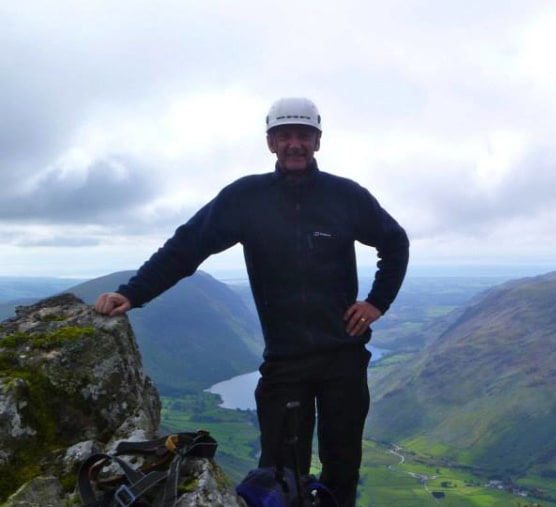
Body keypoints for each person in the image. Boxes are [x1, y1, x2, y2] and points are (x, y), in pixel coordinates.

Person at [94, 97, 409, 506]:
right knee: (279, 475)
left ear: (317, 141)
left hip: (344, 359)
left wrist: (376, 303)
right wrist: (132, 292)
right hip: (286, 362)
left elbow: (395, 242)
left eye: (303, 135)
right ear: (270, 142)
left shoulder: (345, 196)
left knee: (342, 468)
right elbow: (187, 248)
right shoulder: (246, 198)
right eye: (284, 135)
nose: (294, 143)